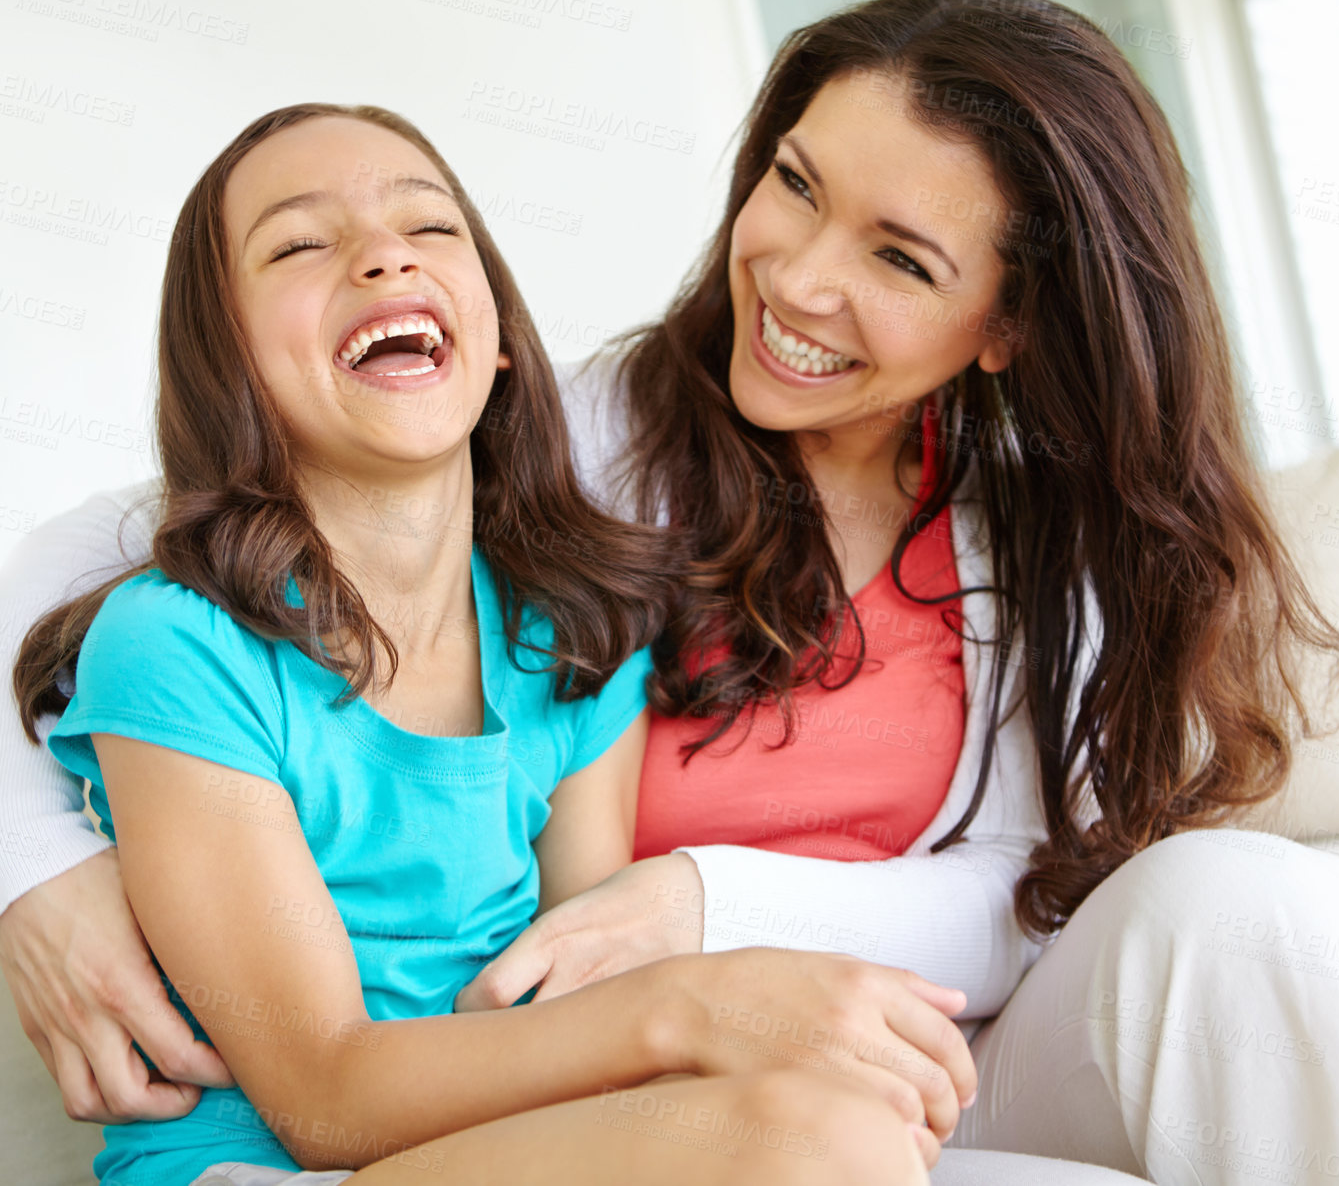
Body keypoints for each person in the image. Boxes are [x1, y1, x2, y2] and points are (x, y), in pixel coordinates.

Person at [1, 0, 1339, 1185]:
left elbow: (1027, 895)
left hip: (913, 1055)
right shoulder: (550, 445)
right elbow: (129, 555)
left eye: (901, 260)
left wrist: (704, 909)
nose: (795, 278)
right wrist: (35, 874)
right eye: (794, 184)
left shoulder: (1040, 540)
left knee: (1256, 902)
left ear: (1007, 324)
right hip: (694, 1097)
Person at [3, 101, 986, 1186]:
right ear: (224, 362)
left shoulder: (575, 637)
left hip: (491, 1153)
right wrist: (701, 1002)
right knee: (814, 1139)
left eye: (430, 230)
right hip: (257, 1169)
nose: (383, 257)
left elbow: (574, 1002)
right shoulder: (177, 648)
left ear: (503, 340)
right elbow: (325, 1101)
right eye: (300, 243)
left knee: (831, 1124)